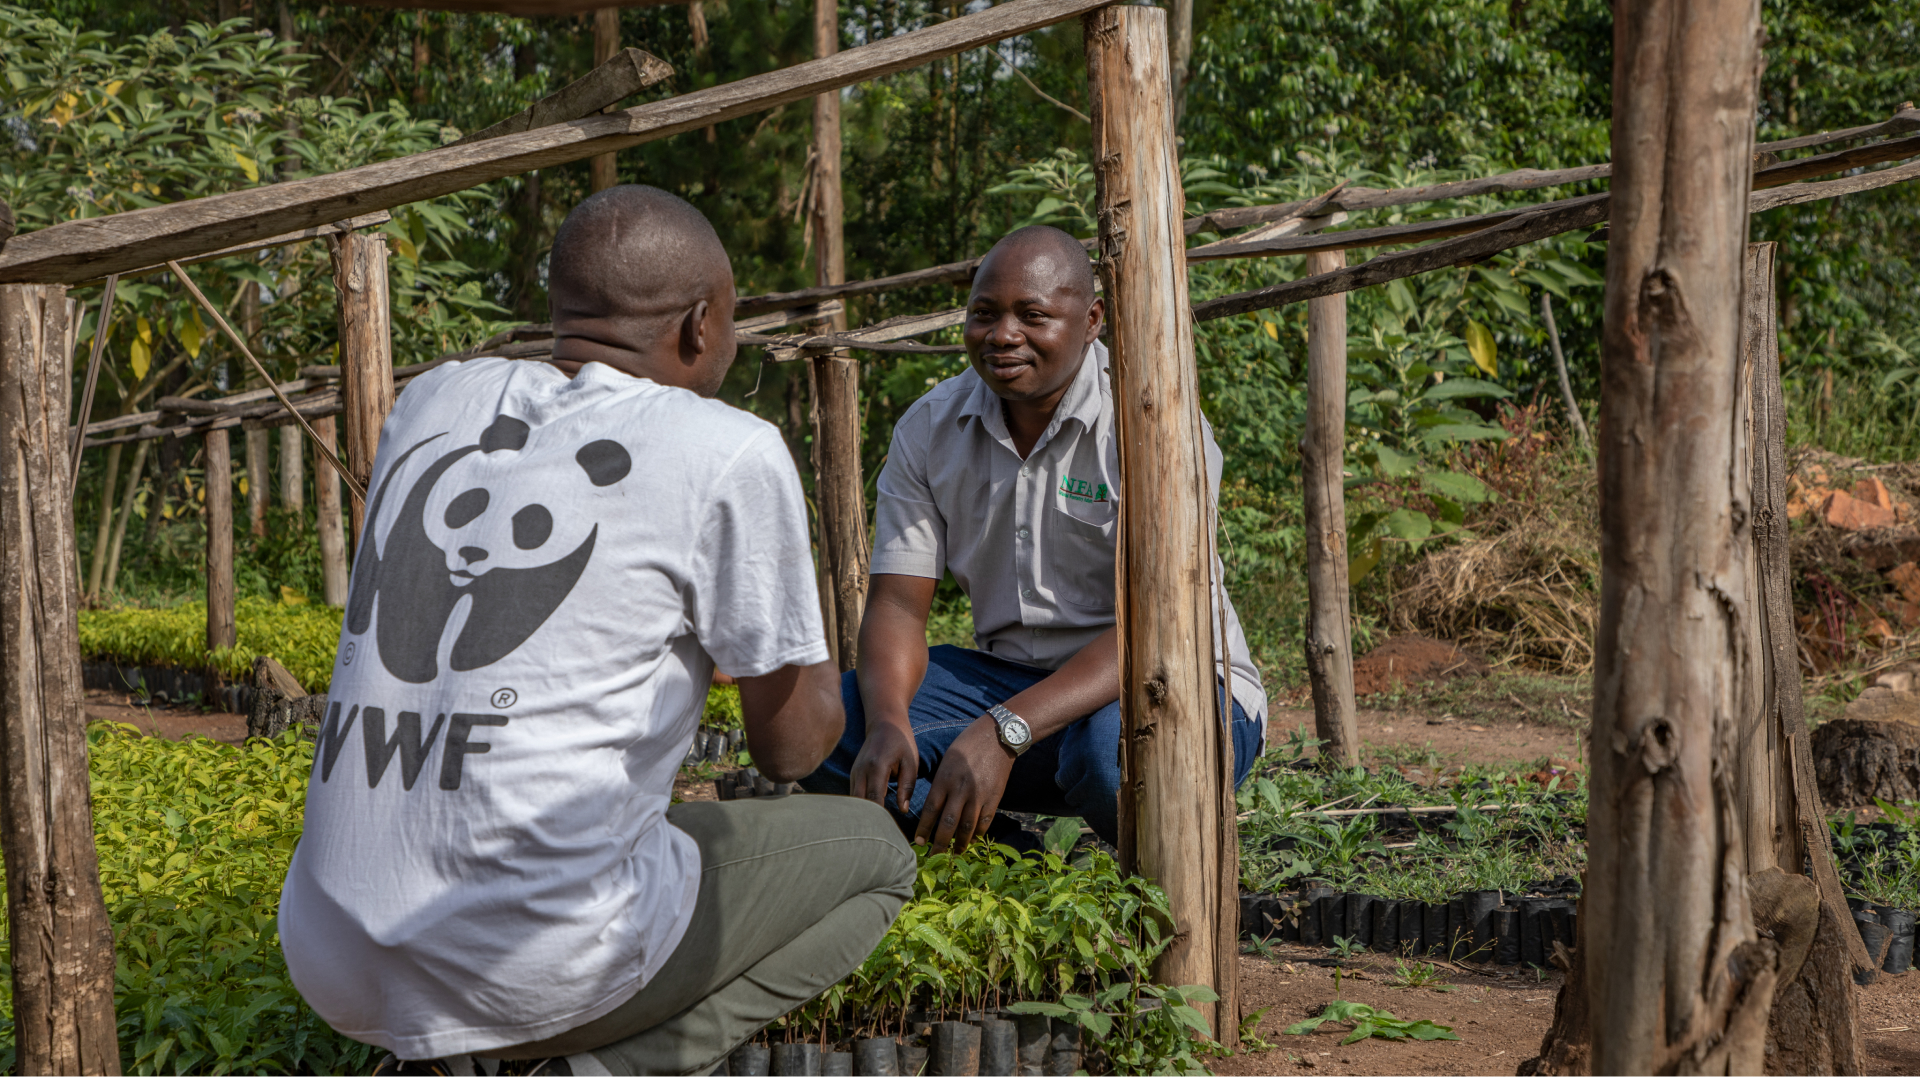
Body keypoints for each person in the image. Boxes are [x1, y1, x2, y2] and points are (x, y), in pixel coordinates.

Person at [279, 186, 915, 1077]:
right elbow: (790, 747)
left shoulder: (431, 403)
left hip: (331, 953)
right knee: (878, 857)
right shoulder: (723, 446)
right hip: (532, 970)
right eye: (732, 324)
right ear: (701, 325)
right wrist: (780, 659)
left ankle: (441, 1058)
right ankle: (599, 1067)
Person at [799, 225, 1267, 852]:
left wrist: (1004, 729)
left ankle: (1162, 893)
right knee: (821, 728)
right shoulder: (932, 428)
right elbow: (897, 606)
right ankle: (1029, 869)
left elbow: (1161, 624)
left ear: (1093, 319)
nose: (1002, 335)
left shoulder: (1151, 422)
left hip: (1167, 679)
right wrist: (888, 723)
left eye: (1033, 315)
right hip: (1011, 683)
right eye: (984, 314)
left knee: (1117, 758)